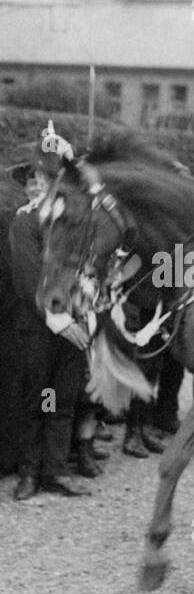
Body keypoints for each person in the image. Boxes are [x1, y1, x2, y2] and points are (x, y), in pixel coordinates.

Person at [8, 128, 92, 499]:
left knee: (62, 400)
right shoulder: (24, 223)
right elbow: (29, 280)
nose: (36, 186)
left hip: (74, 327)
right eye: (31, 180)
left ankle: (54, 470)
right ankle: (30, 470)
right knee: (39, 399)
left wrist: (86, 311)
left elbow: (86, 270)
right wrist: (59, 322)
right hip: (41, 329)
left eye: (44, 178)